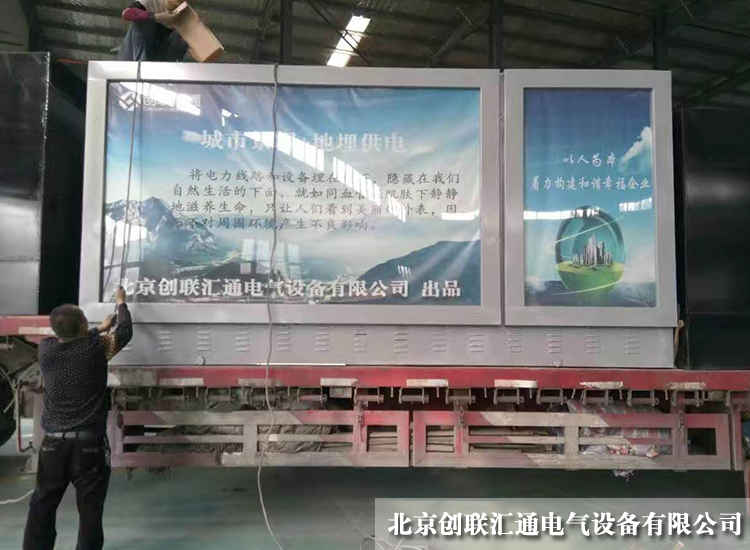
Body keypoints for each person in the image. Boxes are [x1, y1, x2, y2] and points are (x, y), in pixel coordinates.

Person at [23, 287, 133, 550]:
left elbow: (72, 340)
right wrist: (121, 304)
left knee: (42, 504)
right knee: (90, 510)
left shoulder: (46, 350)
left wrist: (97, 329)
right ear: (84, 325)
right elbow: (125, 332)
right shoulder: (97, 349)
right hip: (89, 446)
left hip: (53, 445)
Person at [118, 0, 188, 62]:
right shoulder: (149, 2)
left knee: (182, 36)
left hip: (160, 53)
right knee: (143, 20)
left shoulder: (183, 8)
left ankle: (171, 65)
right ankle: (141, 63)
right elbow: (126, 13)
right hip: (135, 54)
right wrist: (158, 16)